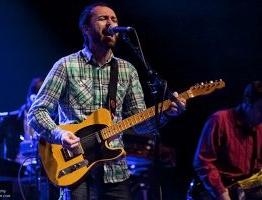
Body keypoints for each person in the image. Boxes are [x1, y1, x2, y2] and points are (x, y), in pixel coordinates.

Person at [28, 2, 186, 200]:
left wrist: (166, 115)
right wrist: (60, 136)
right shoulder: (66, 66)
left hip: (115, 171)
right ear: (86, 29)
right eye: (103, 18)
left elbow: (140, 123)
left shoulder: (127, 70)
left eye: (114, 19)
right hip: (76, 169)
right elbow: (36, 112)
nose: (111, 23)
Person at [193, 81, 262, 200]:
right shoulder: (220, 120)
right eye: (261, 109)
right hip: (216, 193)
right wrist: (221, 194)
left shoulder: (260, 126)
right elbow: (203, 162)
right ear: (247, 101)